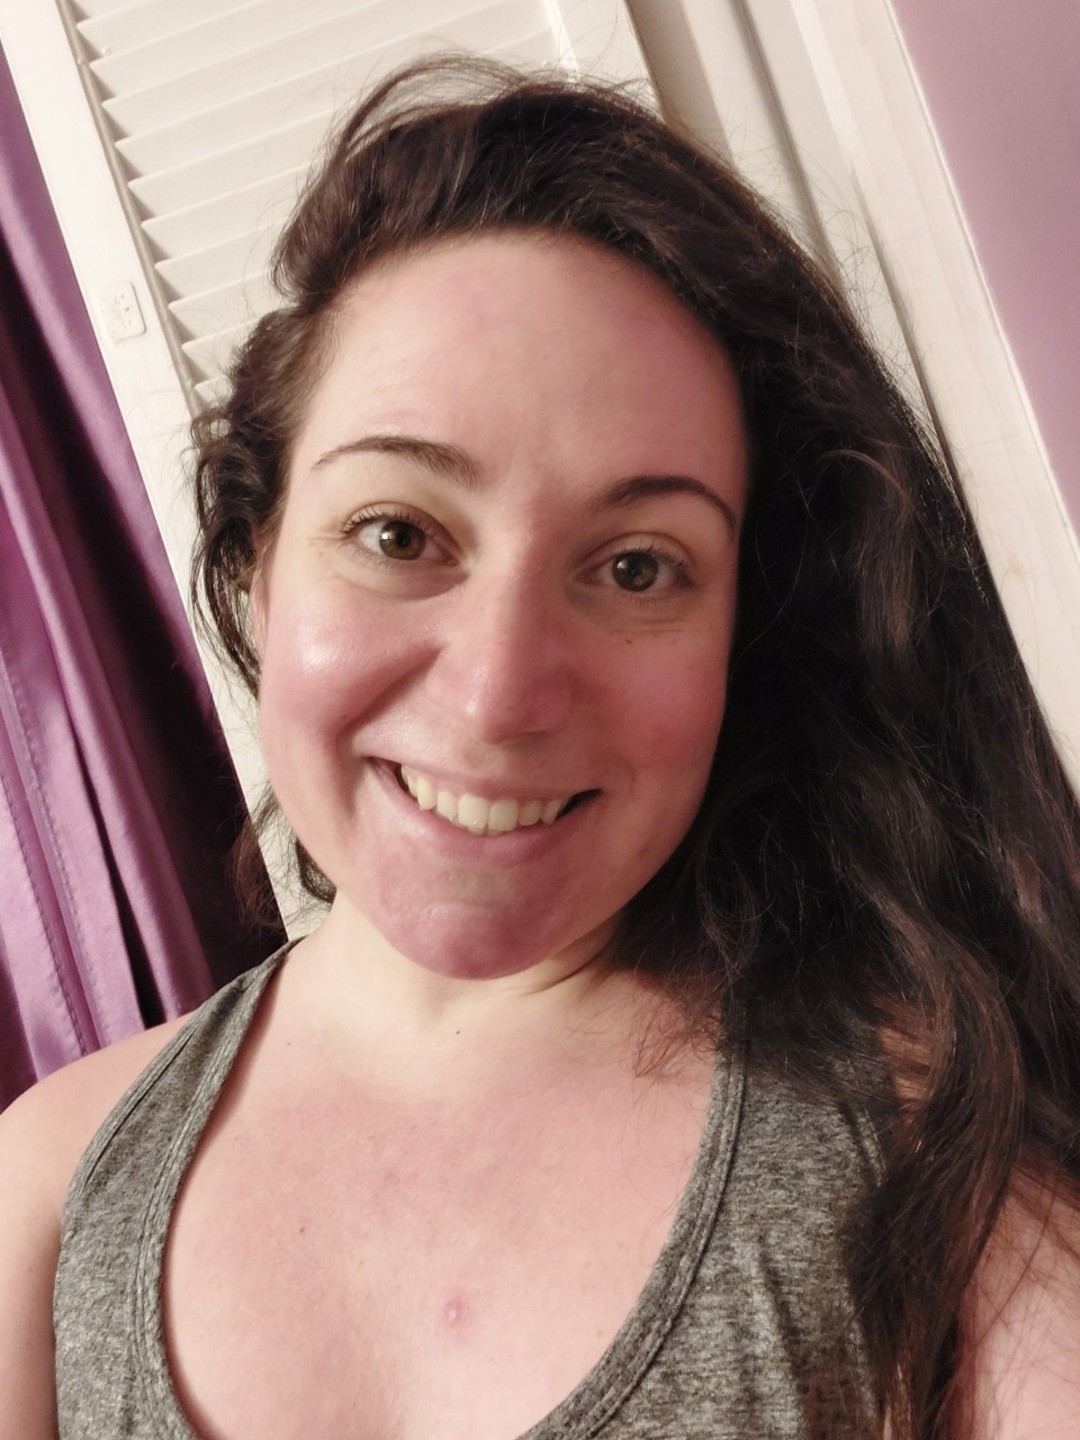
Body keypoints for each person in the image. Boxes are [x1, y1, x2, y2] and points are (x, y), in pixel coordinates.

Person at [2, 56, 1080, 1440]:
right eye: (398, 533)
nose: (501, 693)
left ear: (741, 639)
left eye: (637, 567)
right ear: (258, 567)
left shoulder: (944, 1155)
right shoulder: (50, 1188)